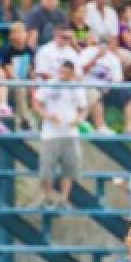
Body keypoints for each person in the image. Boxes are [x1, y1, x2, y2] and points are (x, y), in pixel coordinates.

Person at [32, 60, 86, 208]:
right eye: (61, 71)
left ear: (72, 73)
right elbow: (36, 102)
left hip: (70, 133)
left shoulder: (77, 88)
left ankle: (64, 198)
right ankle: (47, 196)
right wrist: (47, 115)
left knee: (69, 167)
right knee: (47, 166)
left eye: (66, 72)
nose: (62, 75)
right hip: (51, 133)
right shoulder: (50, 84)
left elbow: (82, 108)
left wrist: (79, 119)